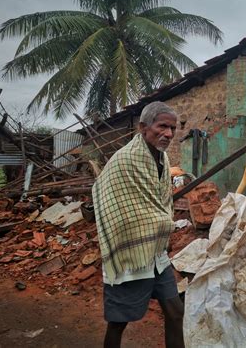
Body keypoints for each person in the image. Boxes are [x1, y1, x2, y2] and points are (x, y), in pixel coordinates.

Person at [92, 101, 184, 348]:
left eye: (173, 128)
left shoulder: (162, 158)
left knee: (175, 311)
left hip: (156, 253)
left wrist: (162, 222)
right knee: (118, 322)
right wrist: (164, 222)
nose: (168, 134)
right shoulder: (126, 160)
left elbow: (159, 201)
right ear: (143, 127)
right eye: (162, 126)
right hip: (131, 252)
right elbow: (107, 198)